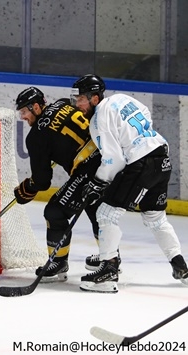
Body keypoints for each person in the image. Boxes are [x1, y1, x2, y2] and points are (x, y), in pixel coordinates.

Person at [72, 74, 188, 293]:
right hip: (162, 157)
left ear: (94, 98)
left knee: (105, 214)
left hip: (142, 164)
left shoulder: (98, 121)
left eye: (81, 100)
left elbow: (113, 159)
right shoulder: (122, 99)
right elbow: (144, 113)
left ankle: (108, 272)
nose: (77, 105)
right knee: (155, 218)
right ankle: (180, 266)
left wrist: (98, 182)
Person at [13, 87, 102, 282]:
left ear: (36, 106)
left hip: (88, 169)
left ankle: (58, 261)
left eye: (25, 111)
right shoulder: (63, 102)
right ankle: (110, 259)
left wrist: (29, 186)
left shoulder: (36, 137)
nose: (23, 117)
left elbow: (43, 181)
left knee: (55, 211)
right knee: (97, 210)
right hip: (108, 159)